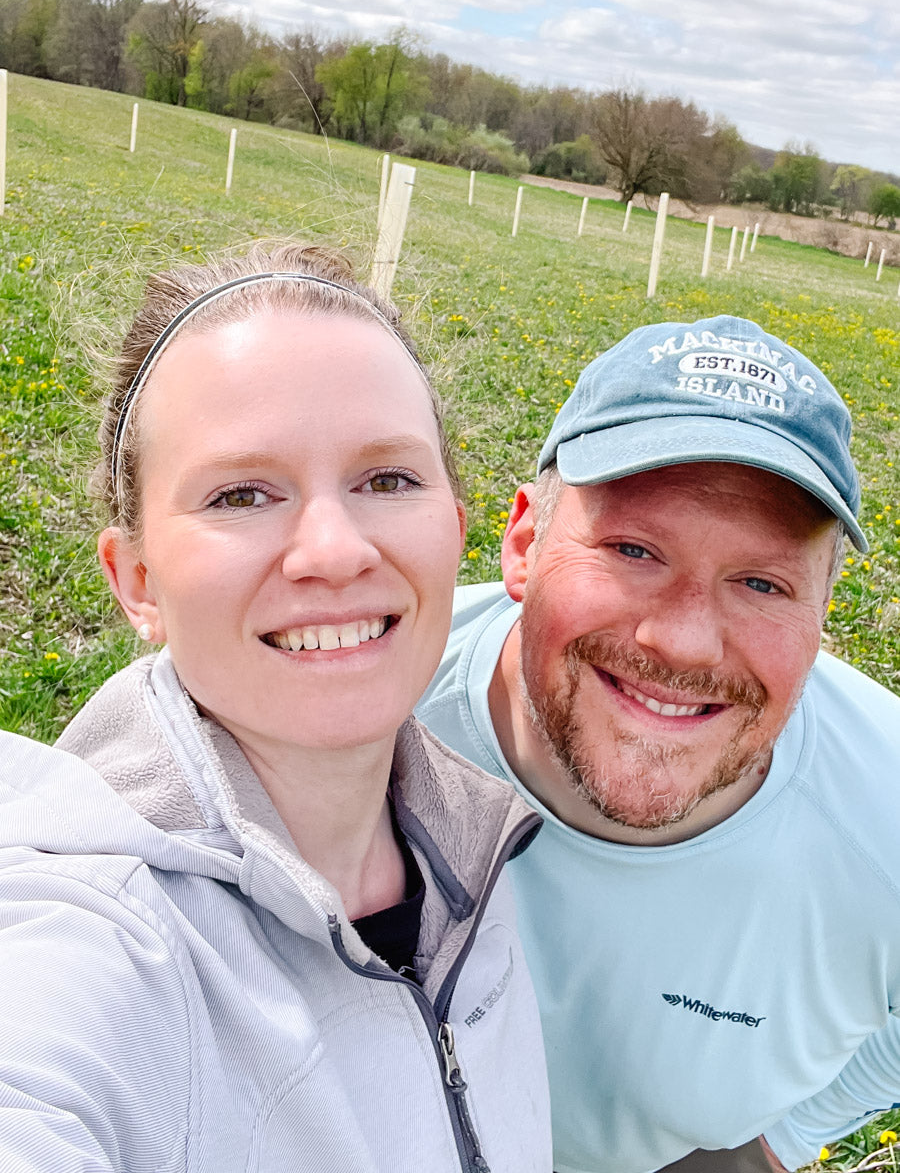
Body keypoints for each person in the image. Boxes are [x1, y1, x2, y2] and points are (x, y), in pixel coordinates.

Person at [0, 244, 552, 1172]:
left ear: (455, 529)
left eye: (387, 480)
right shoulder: (102, 940)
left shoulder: (477, 846)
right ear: (135, 580)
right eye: (241, 494)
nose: (333, 550)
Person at [417, 314, 900, 1173]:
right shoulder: (367, 700)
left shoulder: (886, 815)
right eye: (634, 549)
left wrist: (776, 1143)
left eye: (761, 582)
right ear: (524, 542)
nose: (684, 641)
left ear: (823, 609)